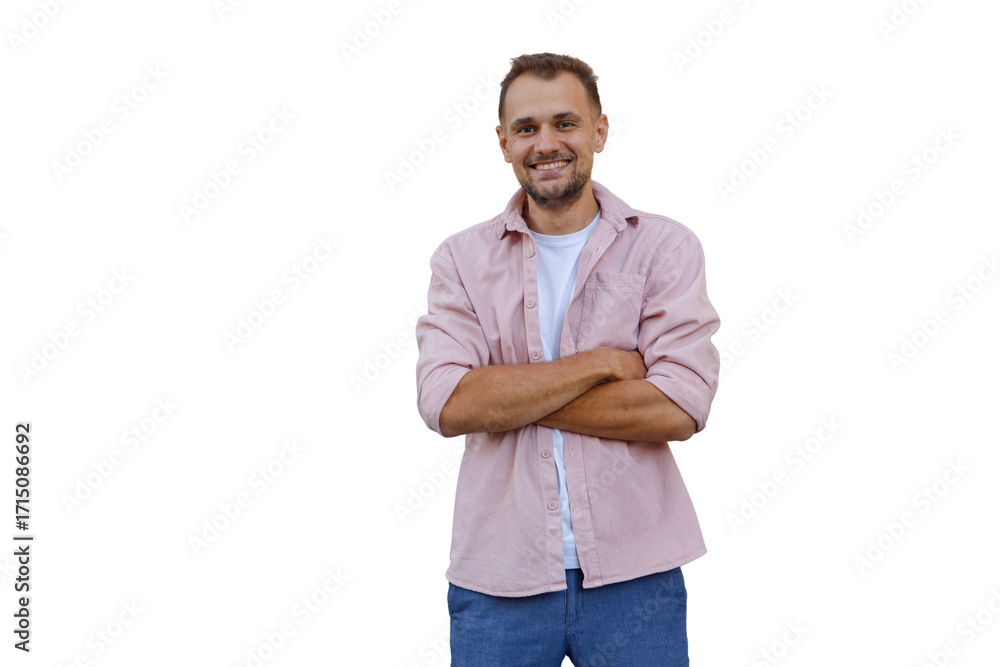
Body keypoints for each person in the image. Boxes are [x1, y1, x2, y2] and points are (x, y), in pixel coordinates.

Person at [415, 52, 721, 666]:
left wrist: (508, 398)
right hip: (500, 577)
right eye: (526, 129)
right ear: (503, 143)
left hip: (638, 576)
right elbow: (448, 403)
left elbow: (679, 408)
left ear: (599, 131)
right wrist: (603, 363)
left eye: (565, 123)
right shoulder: (461, 260)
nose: (546, 143)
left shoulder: (664, 247)